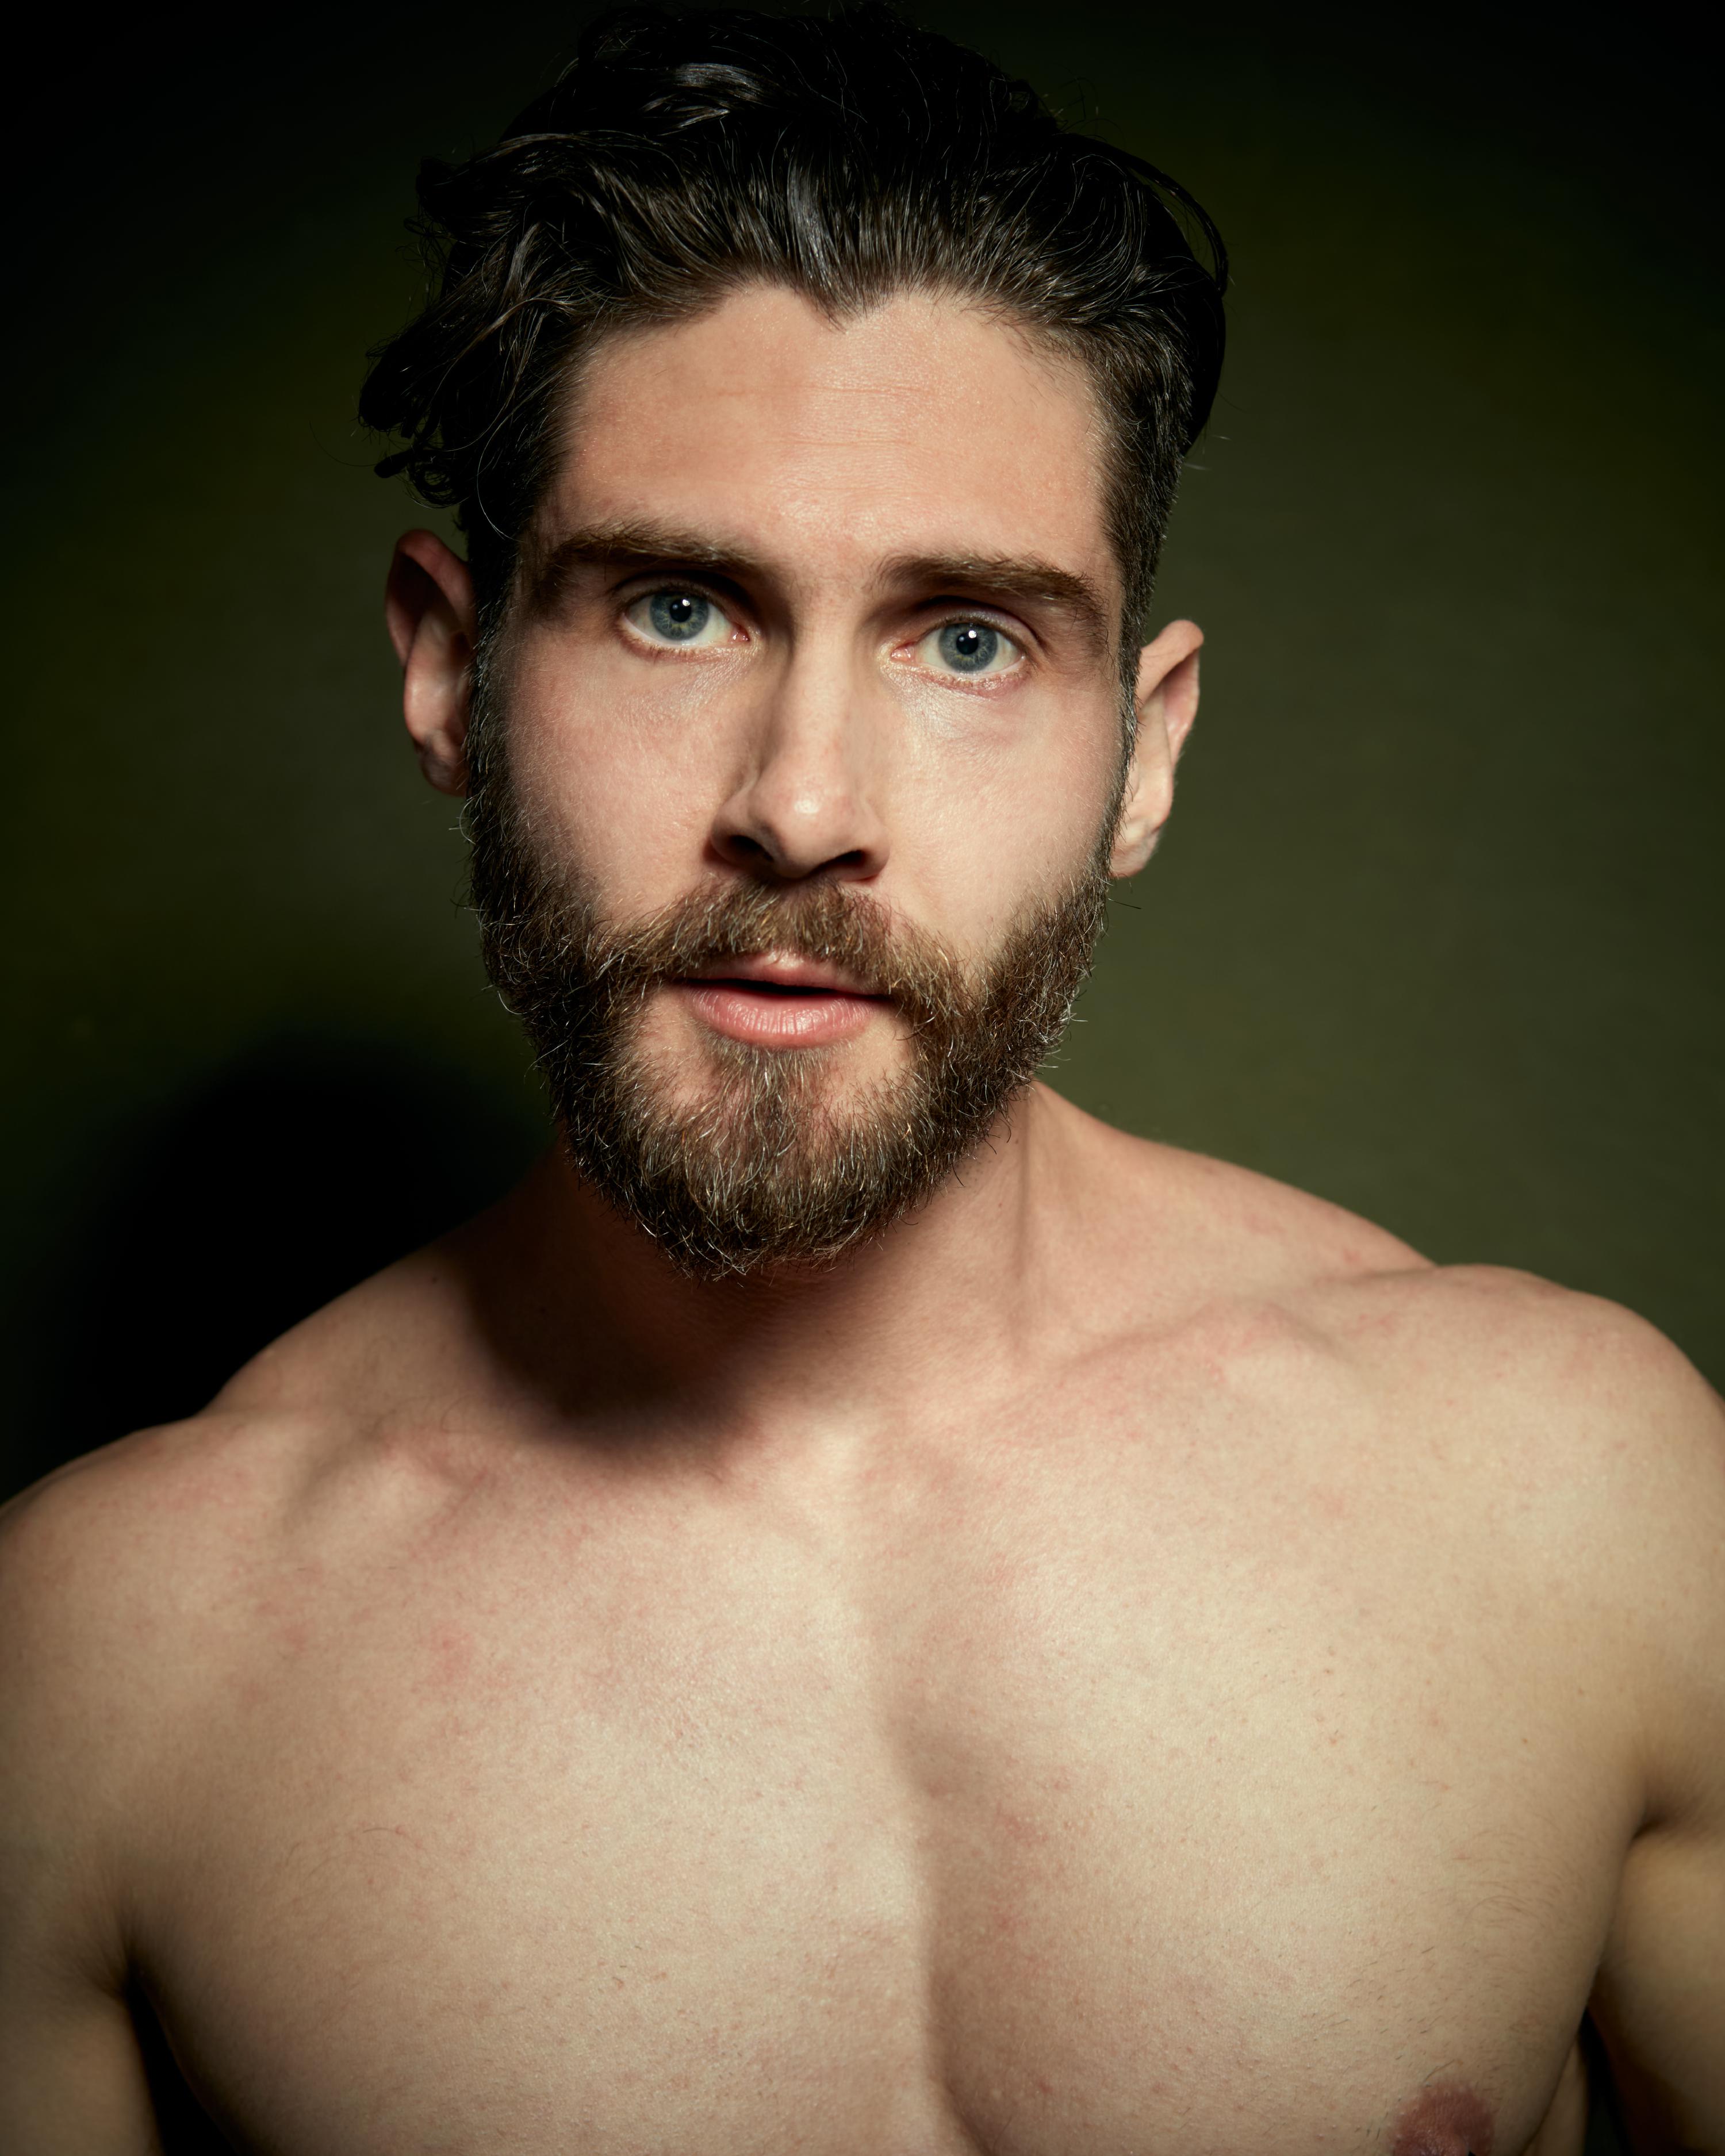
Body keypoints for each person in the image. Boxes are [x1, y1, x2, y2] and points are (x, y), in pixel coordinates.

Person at [2, 5, 1720, 2149]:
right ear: (452, 672)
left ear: (1146, 753)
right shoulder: (106, 1680)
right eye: (679, 610)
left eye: (971, 638)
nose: (806, 804)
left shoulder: (1580, 1507)